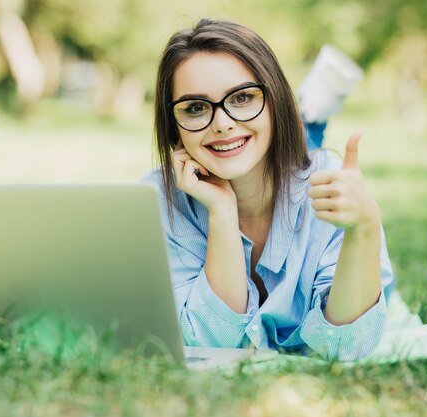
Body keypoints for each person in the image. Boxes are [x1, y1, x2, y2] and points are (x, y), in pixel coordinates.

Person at [142, 18, 395, 361]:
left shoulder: (328, 187)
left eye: (243, 97)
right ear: (175, 126)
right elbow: (210, 342)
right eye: (196, 108)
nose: (222, 123)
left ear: (275, 99)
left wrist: (364, 229)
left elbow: (345, 347)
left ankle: (311, 113)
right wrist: (221, 213)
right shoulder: (160, 201)